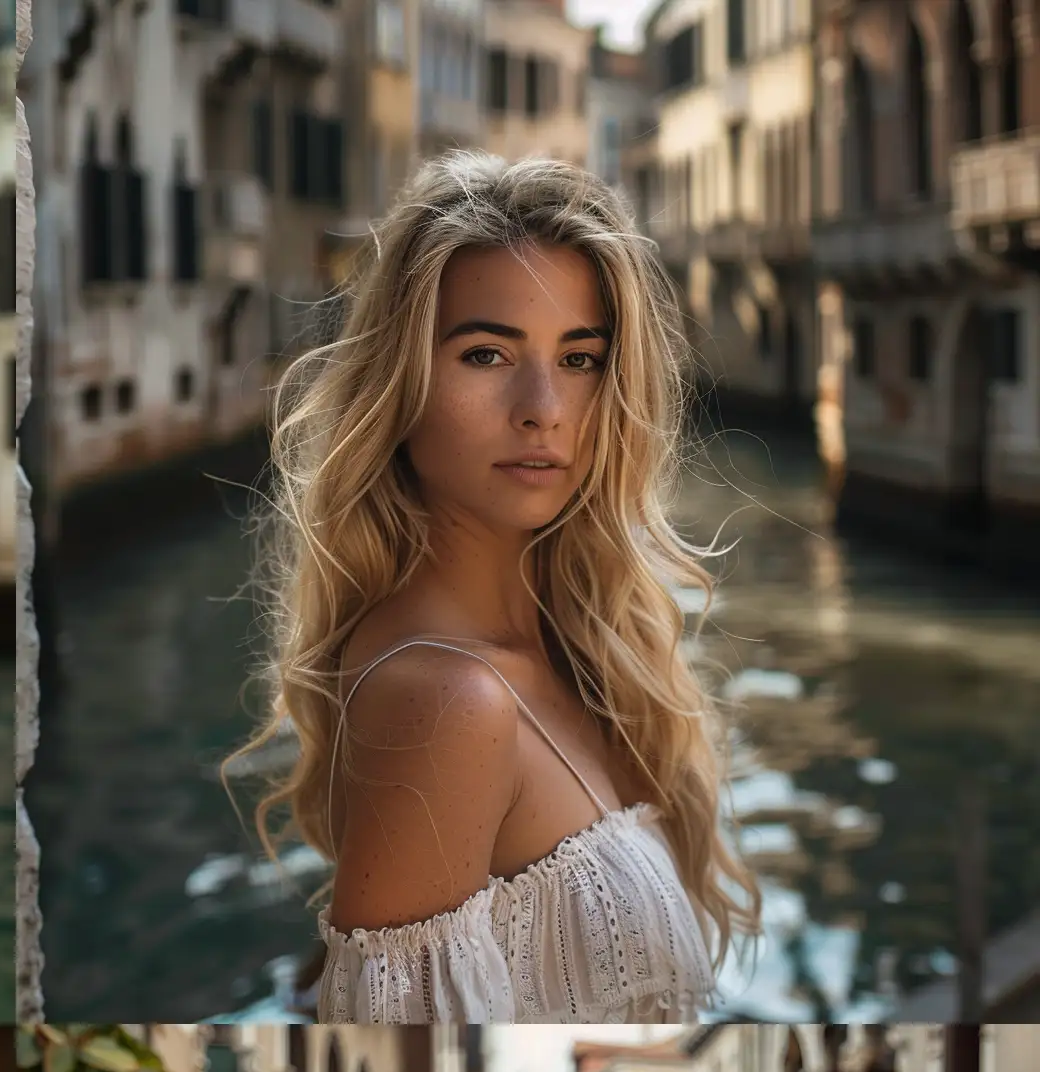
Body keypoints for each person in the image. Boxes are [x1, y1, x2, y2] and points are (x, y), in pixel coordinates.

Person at [235, 153, 756, 1023]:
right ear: (400, 382)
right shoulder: (445, 700)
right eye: (487, 353)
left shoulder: (581, 649)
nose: (543, 407)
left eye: (581, 358)